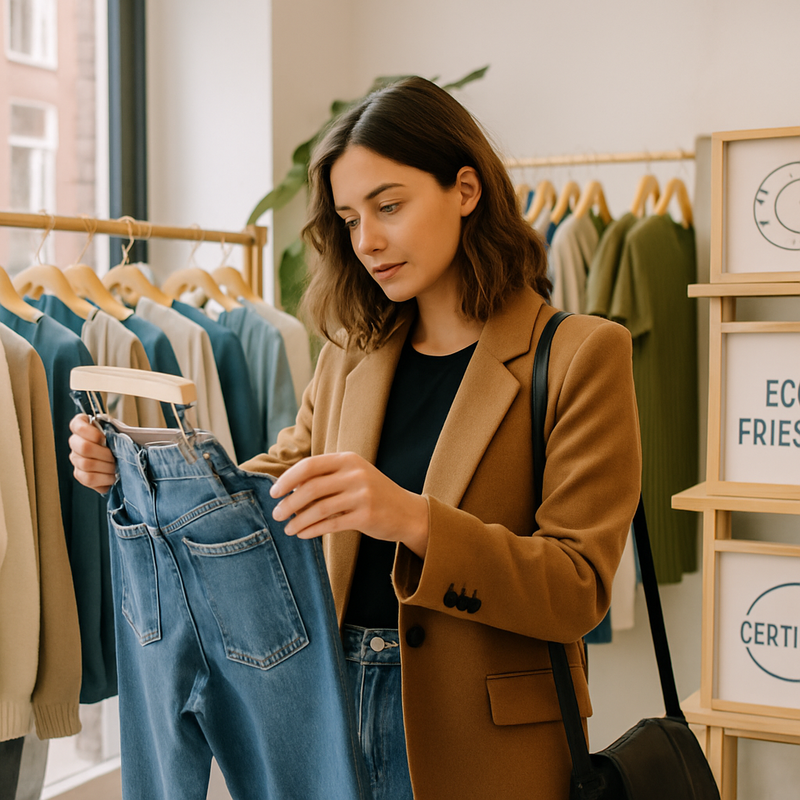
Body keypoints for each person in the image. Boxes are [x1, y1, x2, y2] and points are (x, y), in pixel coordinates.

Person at [69, 77, 641, 800]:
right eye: (347, 219)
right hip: (329, 712)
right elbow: (276, 480)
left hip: (482, 745)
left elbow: (577, 588)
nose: (367, 240)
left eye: (389, 206)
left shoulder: (582, 354)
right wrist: (139, 471)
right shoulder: (351, 352)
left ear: (465, 189)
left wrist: (408, 518)